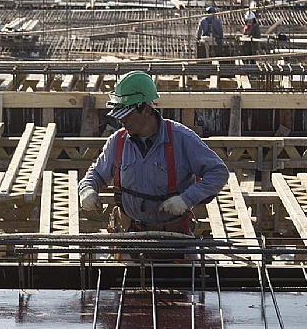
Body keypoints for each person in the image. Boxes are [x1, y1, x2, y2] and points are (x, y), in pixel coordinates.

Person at [78, 71, 229, 241]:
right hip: (128, 235)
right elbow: (97, 174)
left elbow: (218, 172)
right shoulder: (118, 141)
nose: (121, 121)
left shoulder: (181, 139)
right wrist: (87, 190)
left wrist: (186, 199)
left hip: (173, 237)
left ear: (146, 110)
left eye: (125, 114)